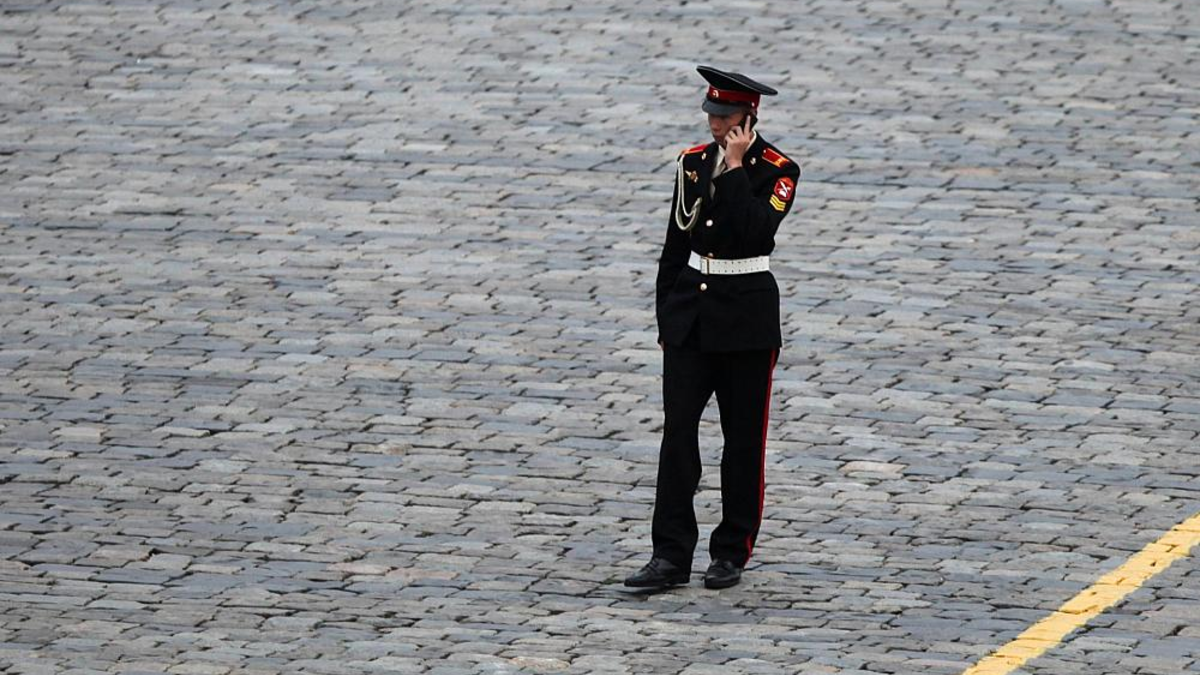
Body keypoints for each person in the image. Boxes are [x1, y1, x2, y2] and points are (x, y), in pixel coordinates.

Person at [625, 65, 801, 590]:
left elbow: (754, 231)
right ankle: (669, 555)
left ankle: (731, 551)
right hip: (692, 319)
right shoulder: (691, 164)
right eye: (712, 116)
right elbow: (675, 246)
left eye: (726, 118)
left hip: (746, 321)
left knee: (743, 441)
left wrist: (738, 168)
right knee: (677, 439)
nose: (716, 126)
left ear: (749, 119)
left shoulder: (777, 170)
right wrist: (666, 318)